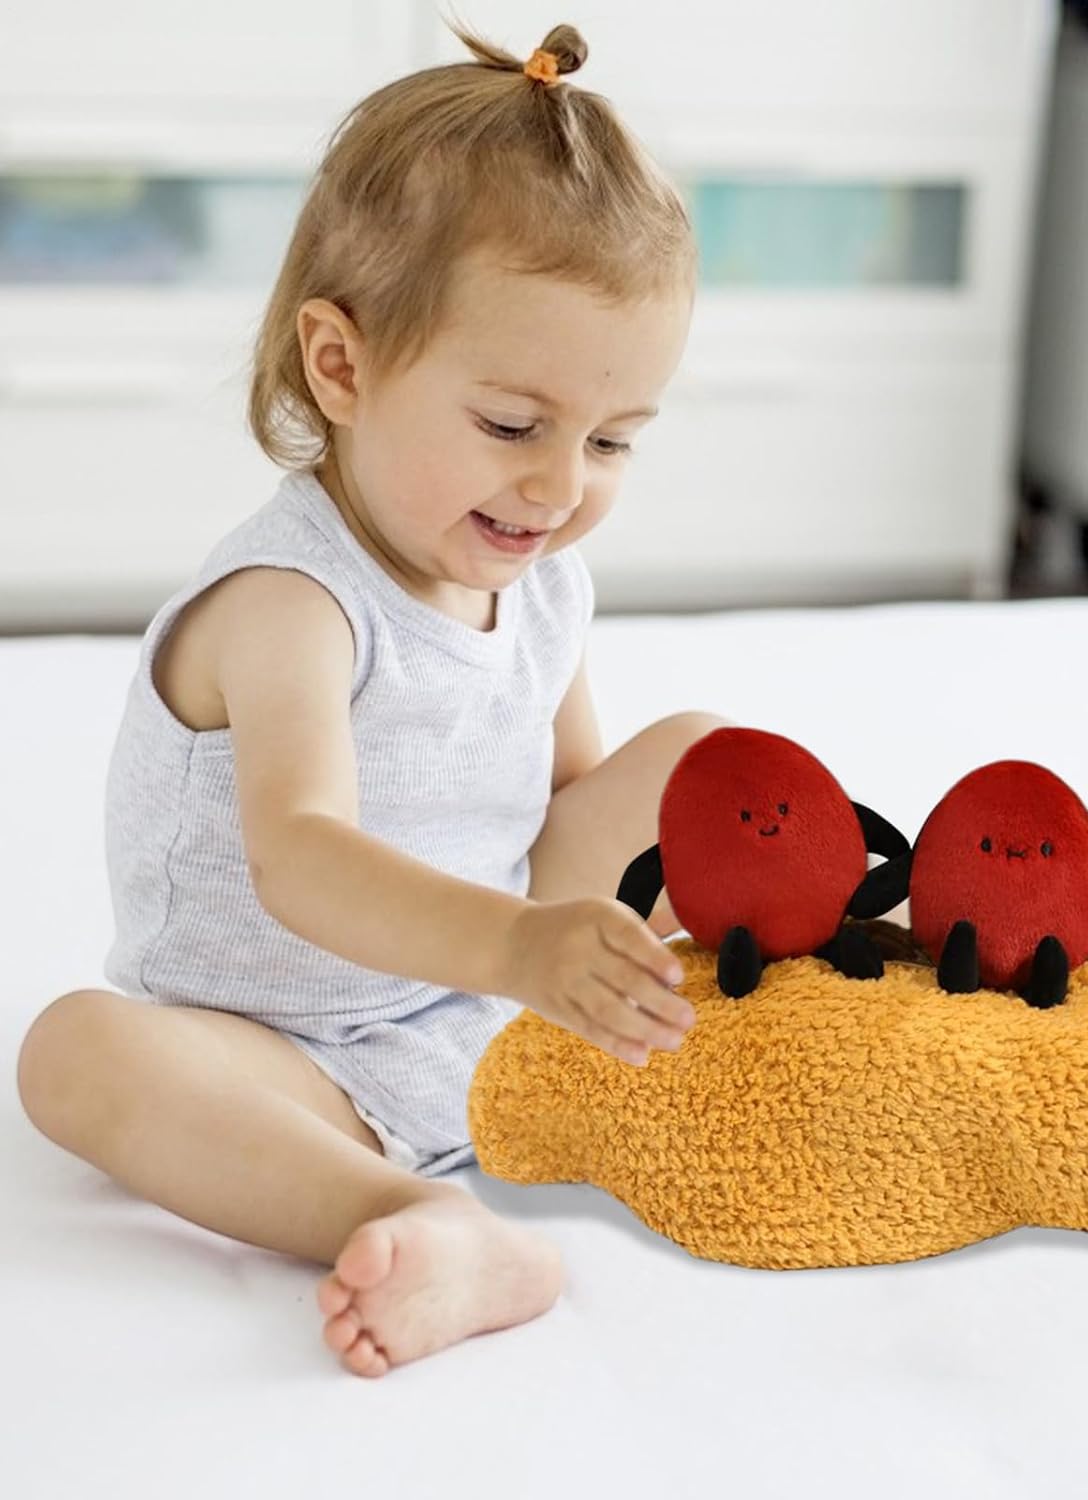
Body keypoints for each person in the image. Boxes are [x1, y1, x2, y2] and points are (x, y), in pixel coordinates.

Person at [17, 21, 727, 1379]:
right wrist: (524, 950)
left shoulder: (542, 582)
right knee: (75, 1053)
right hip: (285, 1054)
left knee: (707, 761)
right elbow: (300, 859)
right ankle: (409, 1216)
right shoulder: (290, 603)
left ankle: (936, 933)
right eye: (511, 426)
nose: (560, 486)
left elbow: (570, 807)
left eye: (612, 440)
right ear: (340, 369)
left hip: (488, 1008)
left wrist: (582, 940)